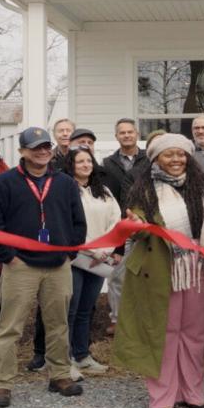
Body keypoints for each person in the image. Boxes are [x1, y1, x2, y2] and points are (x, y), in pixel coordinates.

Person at [112, 134, 204, 408]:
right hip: (161, 269)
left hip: (201, 268)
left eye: (181, 154)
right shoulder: (144, 190)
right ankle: (163, 398)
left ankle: (192, 393)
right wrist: (136, 225)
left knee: (195, 333)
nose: (176, 159)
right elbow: (138, 226)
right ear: (156, 159)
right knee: (165, 334)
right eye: (169, 154)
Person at [0, 126, 88, 408]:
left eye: (45, 146)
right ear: (22, 151)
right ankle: (2, 383)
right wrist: (8, 256)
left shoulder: (65, 182)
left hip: (58, 265)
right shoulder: (4, 182)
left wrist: (70, 252)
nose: (42, 152)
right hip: (20, 265)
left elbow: (78, 221)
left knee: (58, 323)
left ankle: (60, 375)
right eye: (35, 148)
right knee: (10, 326)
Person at [68, 146, 123, 375]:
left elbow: (116, 220)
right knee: (70, 310)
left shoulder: (104, 191)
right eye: (80, 161)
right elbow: (68, 223)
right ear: (71, 165)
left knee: (85, 310)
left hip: (100, 259)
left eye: (89, 161)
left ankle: (82, 355)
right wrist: (92, 250)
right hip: (75, 258)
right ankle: (65, 360)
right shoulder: (65, 189)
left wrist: (105, 249)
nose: (86, 165)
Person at [101, 118, 145, 327]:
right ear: (116, 136)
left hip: (145, 226)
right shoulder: (108, 164)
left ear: (137, 134)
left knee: (145, 275)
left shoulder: (148, 160)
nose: (127, 135)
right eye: (122, 132)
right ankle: (118, 320)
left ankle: (142, 319)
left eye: (130, 132)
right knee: (117, 274)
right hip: (119, 227)